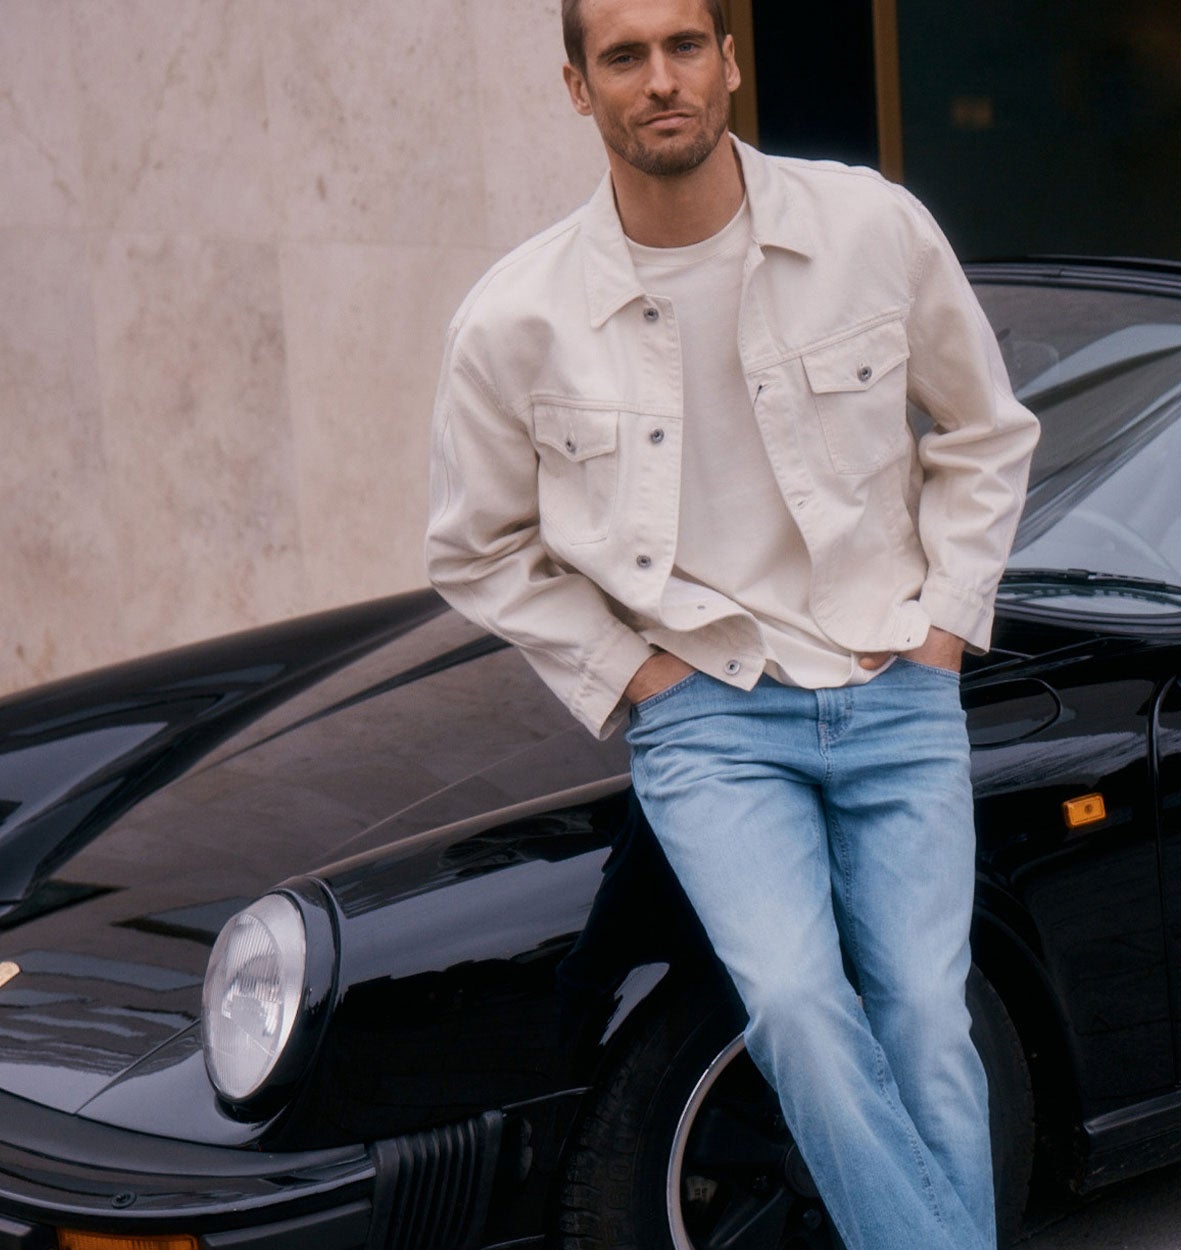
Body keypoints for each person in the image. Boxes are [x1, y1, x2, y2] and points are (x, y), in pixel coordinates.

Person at [422, 1, 1037, 1247]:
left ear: (730, 59)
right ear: (575, 87)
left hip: (894, 683)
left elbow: (985, 434)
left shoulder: (871, 227)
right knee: (800, 1010)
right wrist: (638, 674)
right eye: (625, 57)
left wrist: (942, 634)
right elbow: (474, 546)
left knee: (926, 1016)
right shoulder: (515, 316)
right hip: (709, 718)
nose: (663, 81)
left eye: (685, 47)